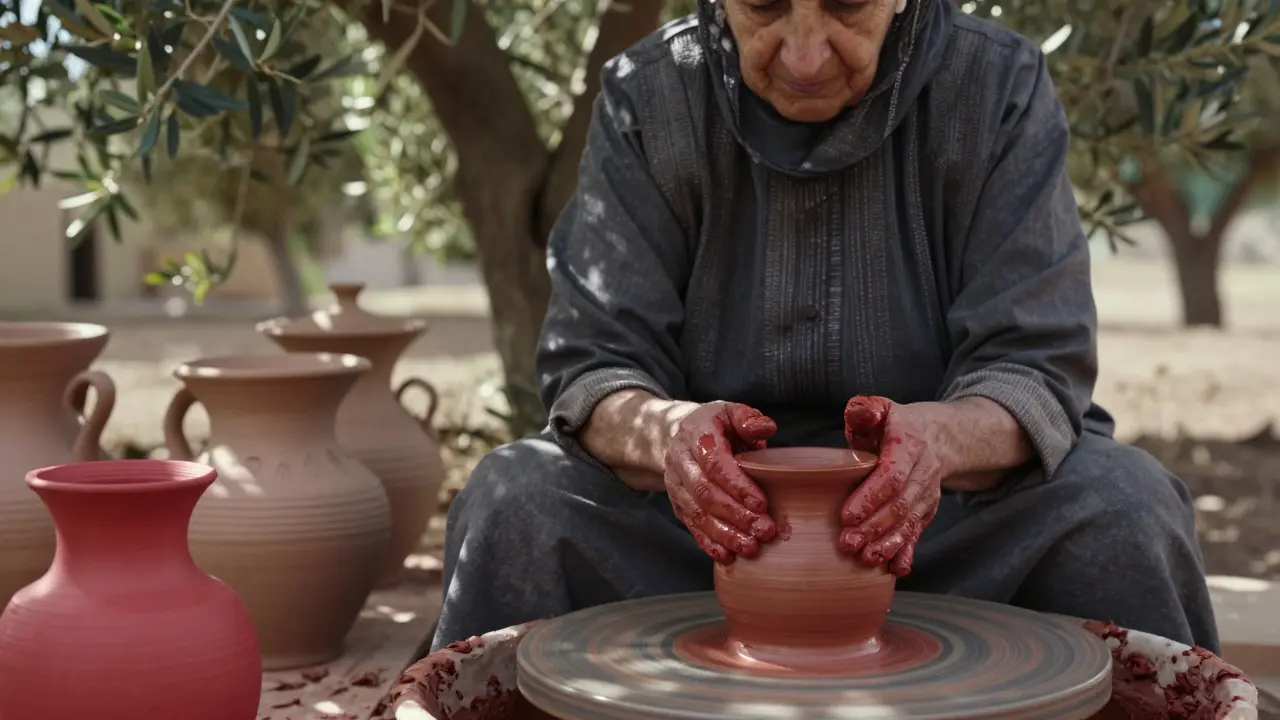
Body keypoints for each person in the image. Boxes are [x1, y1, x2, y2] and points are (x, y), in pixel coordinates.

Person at [429, 0, 1219, 653]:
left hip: (942, 526)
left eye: (846, 6)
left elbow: (1035, 368)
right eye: (765, 7)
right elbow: (594, 364)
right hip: (702, 536)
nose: (805, 57)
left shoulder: (997, 86)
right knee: (512, 501)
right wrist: (671, 439)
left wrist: (935, 447)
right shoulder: (648, 96)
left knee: (1126, 506)